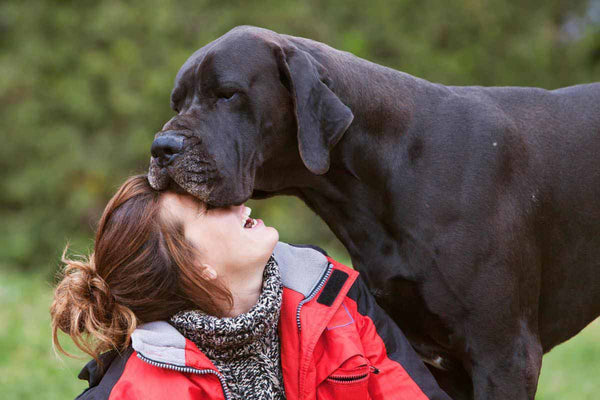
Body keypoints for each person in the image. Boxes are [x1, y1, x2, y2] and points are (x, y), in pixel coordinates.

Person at [51, 174, 451, 400]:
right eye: (211, 207)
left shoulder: (336, 295)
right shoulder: (132, 392)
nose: (239, 200)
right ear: (196, 266)